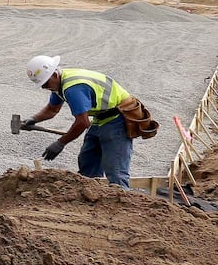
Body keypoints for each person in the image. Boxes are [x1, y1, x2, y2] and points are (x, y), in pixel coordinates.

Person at [22, 55, 134, 188]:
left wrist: (60, 143)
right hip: (101, 118)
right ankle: (92, 196)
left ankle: (121, 204)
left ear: (55, 74)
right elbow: (52, 110)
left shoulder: (73, 89)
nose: (45, 87)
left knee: (115, 169)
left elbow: (82, 123)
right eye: (42, 85)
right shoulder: (59, 84)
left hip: (118, 118)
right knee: (88, 162)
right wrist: (33, 119)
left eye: (46, 83)